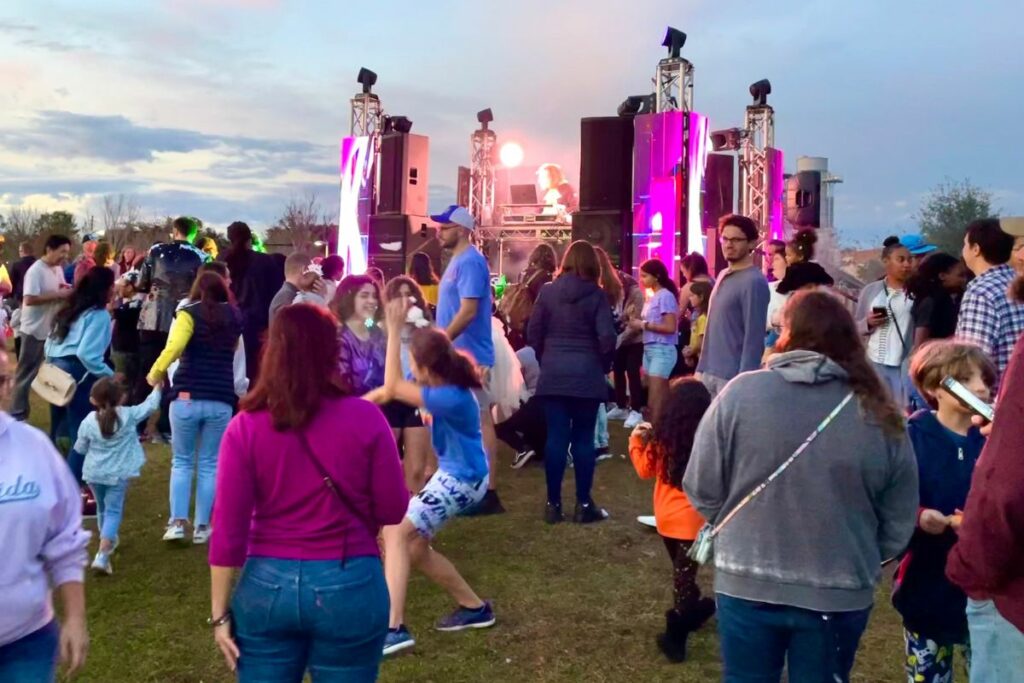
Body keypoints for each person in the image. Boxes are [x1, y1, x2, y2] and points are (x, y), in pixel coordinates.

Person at [683, 290, 919, 683]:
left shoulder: (742, 394)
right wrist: (854, 550)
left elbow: (701, 485)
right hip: (838, 586)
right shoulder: (879, 413)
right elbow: (898, 517)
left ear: (786, 334)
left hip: (748, 578)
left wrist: (746, 530)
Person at [208, 304, 407, 680]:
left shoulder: (245, 428)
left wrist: (220, 614)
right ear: (331, 352)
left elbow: (227, 529)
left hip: (267, 581)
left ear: (272, 353)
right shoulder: (366, 418)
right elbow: (393, 507)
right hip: (349, 579)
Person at [368, 300, 496, 656]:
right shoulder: (436, 381)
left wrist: (394, 332)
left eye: (413, 363)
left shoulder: (450, 397)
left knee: (395, 529)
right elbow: (387, 390)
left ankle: (393, 628)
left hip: (463, 479)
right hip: (458, 475)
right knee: (414, 546)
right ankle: (474, 608)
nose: (411, 368)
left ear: (427, 368)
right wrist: (349, 412)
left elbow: (392, 385)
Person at [891, 341, 994, 683]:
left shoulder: (995, 442)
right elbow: (891, 501)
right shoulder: (911, 439)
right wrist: (920, 515)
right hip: (926, 589)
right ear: (935, 387)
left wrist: (979, 524)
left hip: (984, 592)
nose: (981, 387)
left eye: (984, 379)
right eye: (965, 379)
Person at [946, 269, 1024, 682]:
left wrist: (972, 564)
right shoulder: (923, 436)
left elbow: (1006, 489)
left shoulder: (981, 294)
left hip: (1010, 594)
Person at [0, 348, 89, 682]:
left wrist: (76, 618)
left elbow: (65, 538)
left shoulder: (34, 448)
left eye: (1, 380)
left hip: (27, 643)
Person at [147, 271, 243, 544]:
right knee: (210, 464)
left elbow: (175, 347)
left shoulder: (188, 313)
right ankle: (202, 526)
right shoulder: (236, 317)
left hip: (186, 396)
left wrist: (155, 373)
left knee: (183, 461)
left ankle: (177, 523)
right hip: (221, 398)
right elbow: (235, 351)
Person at [527, 240, 617, 524]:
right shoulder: (596, 295)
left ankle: (553, 505)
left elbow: (533, 331)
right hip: (586, 374)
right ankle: (583, 503)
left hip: (554, 372)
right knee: (582, 438)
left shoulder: (548, 292)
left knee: (556, 438)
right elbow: (607, 336)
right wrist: (603, 365)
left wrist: (546, 359)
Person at [628, 378, 715, 662]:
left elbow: (644, 470)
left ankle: (676, 635)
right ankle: (695, 611)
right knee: (684, 577)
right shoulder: (711, 441)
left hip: (667, 522)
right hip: (695, 525)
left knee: (682, 577)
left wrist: (634, 441)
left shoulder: (661, 439)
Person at [432, 204, 503, 514]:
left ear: (461, 229)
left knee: (479, 419)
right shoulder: (459, 261)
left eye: (444, 227)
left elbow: (469, 310)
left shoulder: (471, 262)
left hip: (469, 355)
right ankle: (469, 484)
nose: (438, 232)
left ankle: (488, 491)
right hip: (458, 353)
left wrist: (441, 338)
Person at [76, 379, 162, 575]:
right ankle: (103, 554)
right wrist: (157, 387)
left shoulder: (88, 421)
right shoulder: (129, 416)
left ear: (93, 400)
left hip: (94, 474)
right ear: (121, 397)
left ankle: (107, 542)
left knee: (102, 509)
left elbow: (80, 448)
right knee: (114, 511)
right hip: (118, 475)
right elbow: (150, 406)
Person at [137, 217, 207, 442]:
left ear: (175, 231)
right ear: (194, 234)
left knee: (146, 371)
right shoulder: (202, 256)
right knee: (175, 373)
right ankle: (165, 428)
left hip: (152, 317)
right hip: (182, 318)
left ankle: (137, 425)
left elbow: (142, 282)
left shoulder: (156, 250)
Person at [45, 267, 117, 486]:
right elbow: (88, 354)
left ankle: (51, 478)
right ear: (105, 289)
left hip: (54, 371)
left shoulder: (69, 310)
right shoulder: (98, 315)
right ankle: (71, 487)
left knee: (59, 429)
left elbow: (49, 343)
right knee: (81, 435)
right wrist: (110, 375)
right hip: (78, 374)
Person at [695, 214, 770, 398]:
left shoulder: (754, 281)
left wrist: (743, 382)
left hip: (731, 378)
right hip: (708, 372)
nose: (729, 244)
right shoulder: (721, 275)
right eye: (725, 239)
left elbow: (754, 337)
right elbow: (711, 326)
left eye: (736, 239)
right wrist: (700, 368)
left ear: (752, 244)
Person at [383, 275, 437, 493]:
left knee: (416, 468)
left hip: (417, 397)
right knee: (389, 464)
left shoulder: (425, 326)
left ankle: (413, 516)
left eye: (409, 294)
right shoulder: (379, 324)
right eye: (399, 295)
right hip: (390, 398)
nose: (405, 300)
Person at [10, 235, 73, 421]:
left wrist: (66, 289)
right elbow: (29, 299)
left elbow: (60, 288)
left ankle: (58, 414)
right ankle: (17, 415)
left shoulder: (58, 269)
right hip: (33, 330)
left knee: (53, 371)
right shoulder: (35, 271)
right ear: (49, 249)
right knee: (25, 374)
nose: (65, 256)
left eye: (67, 253)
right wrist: (58, 294)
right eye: (62, 251)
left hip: (50, 331)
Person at [956, 217, 1024, 382]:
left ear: (976, 249)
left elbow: (973, 360)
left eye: (965, 244)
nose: (963, 250)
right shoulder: (1016, 282)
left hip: (996, 399)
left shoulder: (981, 293)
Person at [855, 236, 915, 406]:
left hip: (902, 365)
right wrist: (867, 322)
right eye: (901, 260)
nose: (906, 265)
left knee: (901, 411)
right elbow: (854, 326)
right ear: (886, 261)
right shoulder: (871, 291)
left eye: (910, 260)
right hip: (873, 363)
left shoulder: (916, 293)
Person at [223, 221, 285, 381]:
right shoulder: (265, 262)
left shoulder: (223, 260)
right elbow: (276, 291)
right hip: (259, 324)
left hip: (229, 322)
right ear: (249, 239)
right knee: (255, 372)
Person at [628, 259, 679, 419]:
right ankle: (658, 430)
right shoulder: (653, 296)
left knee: (655, 399)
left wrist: (644, 325)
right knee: (655, 394)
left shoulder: (665, 296)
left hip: (661, 349)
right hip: (650, 348)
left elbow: (670, 327)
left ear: (656, 276)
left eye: (645, 276)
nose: (642, 280)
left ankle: (656, 432)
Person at [600, 247, 645, 428]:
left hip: (634, 339)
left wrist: (618, 339)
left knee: (632, 371)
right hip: (619, 336)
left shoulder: (632, 289)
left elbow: (635, 321)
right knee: (618, 370)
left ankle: (636, 410)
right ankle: (620, 405)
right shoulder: (606, 286)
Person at [332, 274, 385, 393]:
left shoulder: (376, 331)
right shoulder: (339, 337)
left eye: (374, 296)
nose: (372, 301)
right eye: (364, 296)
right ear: (349, 299)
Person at [906, 252, 968, 348]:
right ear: (942, 276)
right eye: (960, 275)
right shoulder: (930, 302)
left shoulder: (956, 298)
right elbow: (920, 343)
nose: (964, 280)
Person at [268, 252, 327, 320]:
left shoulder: (288, 295)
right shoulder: (288, 298)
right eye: (312, 270)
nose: (315, 275)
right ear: (304, 270)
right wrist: (319, 299)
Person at [683, 281, 711, 369]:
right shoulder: (699, 316)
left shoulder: (703, 318)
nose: (689, 298)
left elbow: (701, 342)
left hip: (703, 360)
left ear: (701, 297)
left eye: (692, 295)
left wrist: (689, 352)